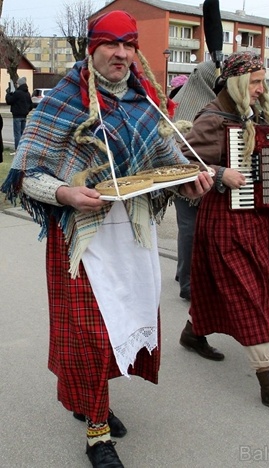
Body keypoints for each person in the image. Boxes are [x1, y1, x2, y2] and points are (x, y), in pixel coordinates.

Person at [1, 10, 212, 468]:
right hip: (81, 240)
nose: (121, 53)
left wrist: (188, 179)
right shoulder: (63, 102)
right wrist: (63, 192)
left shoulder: (143, 102)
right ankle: (97, 433)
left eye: (129, 45)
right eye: (111, 44)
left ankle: (87, 400)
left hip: (133, 239)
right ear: (91, 47)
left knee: (119, 327)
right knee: (90, 336)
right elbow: (24, 175)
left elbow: (167, 159)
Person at [178, 51, 269, 407]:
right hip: (224, 220)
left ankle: (193, 333)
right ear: (237, 83)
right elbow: (181, 160)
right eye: (254, 82)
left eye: (262, 81)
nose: (260, 89)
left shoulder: (252, 115)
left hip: (257, 222)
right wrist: (221, 173)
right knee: (247, 293)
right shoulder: (213, 118)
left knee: (242, 287)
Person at [171, 61, 218, 301]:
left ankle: (184, 274)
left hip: (195, 174)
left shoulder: (200, 96)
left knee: (189, 229)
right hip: (186, 176)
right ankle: (188, 283)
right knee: (190, 230)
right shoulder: (194, 102)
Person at [5, 76, 33, 151]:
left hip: (17, 115)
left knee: (17, 134)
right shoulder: (27, 93)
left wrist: (8, 93)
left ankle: (17, 149)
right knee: (23, 133)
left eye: (17, 83)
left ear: (19, 84)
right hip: (24, 116)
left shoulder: (17, 93)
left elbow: (9, 101)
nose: (16, 85)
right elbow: (31, 105)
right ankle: (23, 148)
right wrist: (27, 110)